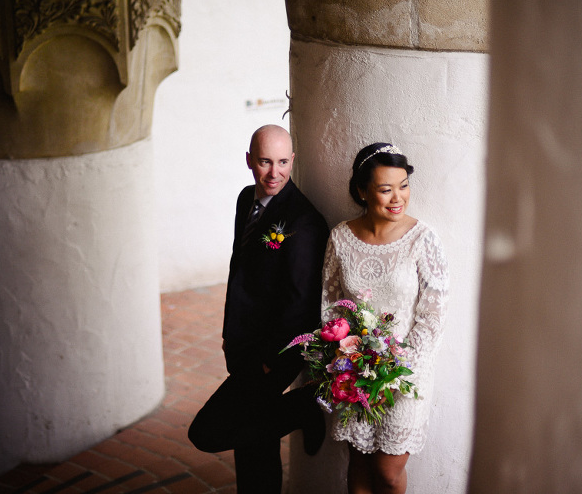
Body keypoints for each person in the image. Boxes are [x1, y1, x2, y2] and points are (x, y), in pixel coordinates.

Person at [188, 124, 329, 493]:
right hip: (241, 345)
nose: (274, 172)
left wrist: (271, 360)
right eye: (265, 161)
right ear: (250, 160)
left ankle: (303, 408)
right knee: (253, 442)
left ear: (292, 160)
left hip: (271, 354)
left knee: (207, 431)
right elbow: (242, 275)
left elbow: (300, 302)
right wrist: (230, 335)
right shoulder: (244, 200)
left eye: (283, 162)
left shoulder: (304, 222)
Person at [321, 142, 449, 494]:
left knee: (389, 472)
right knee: (358, 463)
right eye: (385, 189)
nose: (398, 197)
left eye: (404, 185)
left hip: (407, 375)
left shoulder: (422, 239)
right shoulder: (341, 237)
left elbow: (433, 316)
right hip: (353, 372)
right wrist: (348, 363)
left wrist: (393, 374)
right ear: (362, 191)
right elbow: (332, 306)